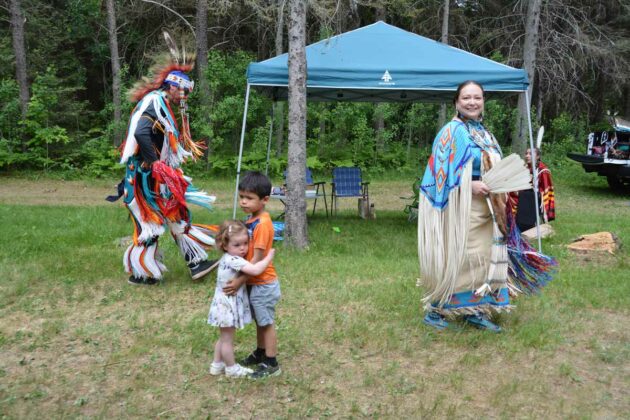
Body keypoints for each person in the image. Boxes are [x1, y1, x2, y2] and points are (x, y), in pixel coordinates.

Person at [417, 80, 510, 332]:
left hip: (487, 209)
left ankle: (473, 310)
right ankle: (436, 310)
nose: (472, 102)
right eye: (466, 98)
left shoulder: (485, 134)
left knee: (483, 259)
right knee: (458, 258)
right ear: (456, 102)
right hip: (461, 208)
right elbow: (438, 172)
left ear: (483, 102)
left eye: (477, 97)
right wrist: (469, 186)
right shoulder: (451, 131)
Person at [118, 53, 218, 285]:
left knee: (177, 214)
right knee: (150, 224)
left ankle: (196, 264)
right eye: (183, 91)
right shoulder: (154, 102)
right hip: (145, 179)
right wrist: (155, 163)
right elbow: (141, 132)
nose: (184, 96)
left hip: (155, 179)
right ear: (173, 86)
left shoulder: (160, 104)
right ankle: (142, 274)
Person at [223, 171, 282, 378]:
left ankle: (271, 362)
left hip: (263, 283)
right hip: (254, 282)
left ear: (265, 200)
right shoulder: (252, 220)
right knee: (260, 321)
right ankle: (260, 352)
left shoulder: (263, 224)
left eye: (249, 198)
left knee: (266, 323)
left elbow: (256, 260)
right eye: (241, 197)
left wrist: (239, 281)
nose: (243, 202)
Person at [208, 220, 276, 378]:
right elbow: (255, 269)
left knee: (223, 337)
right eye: (237, 245)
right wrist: (268, 256)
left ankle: (217, 364)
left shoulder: (226, 257)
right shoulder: (234, 260)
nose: (243, 248)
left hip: (221, 305)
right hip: (226, 306)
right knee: (227, 340)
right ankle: (232, 369)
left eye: (245, 243)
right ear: (225, 245)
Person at [509, 147, 555, 233]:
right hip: (522, 196)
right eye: (526, 153)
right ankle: (513, 224)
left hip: (533, 199)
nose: (527, 156)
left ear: (537, 157)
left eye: (530, 154)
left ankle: (525, 226)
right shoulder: (525, 168)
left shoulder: (543, 171)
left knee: (526, 196)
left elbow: (546, 191)